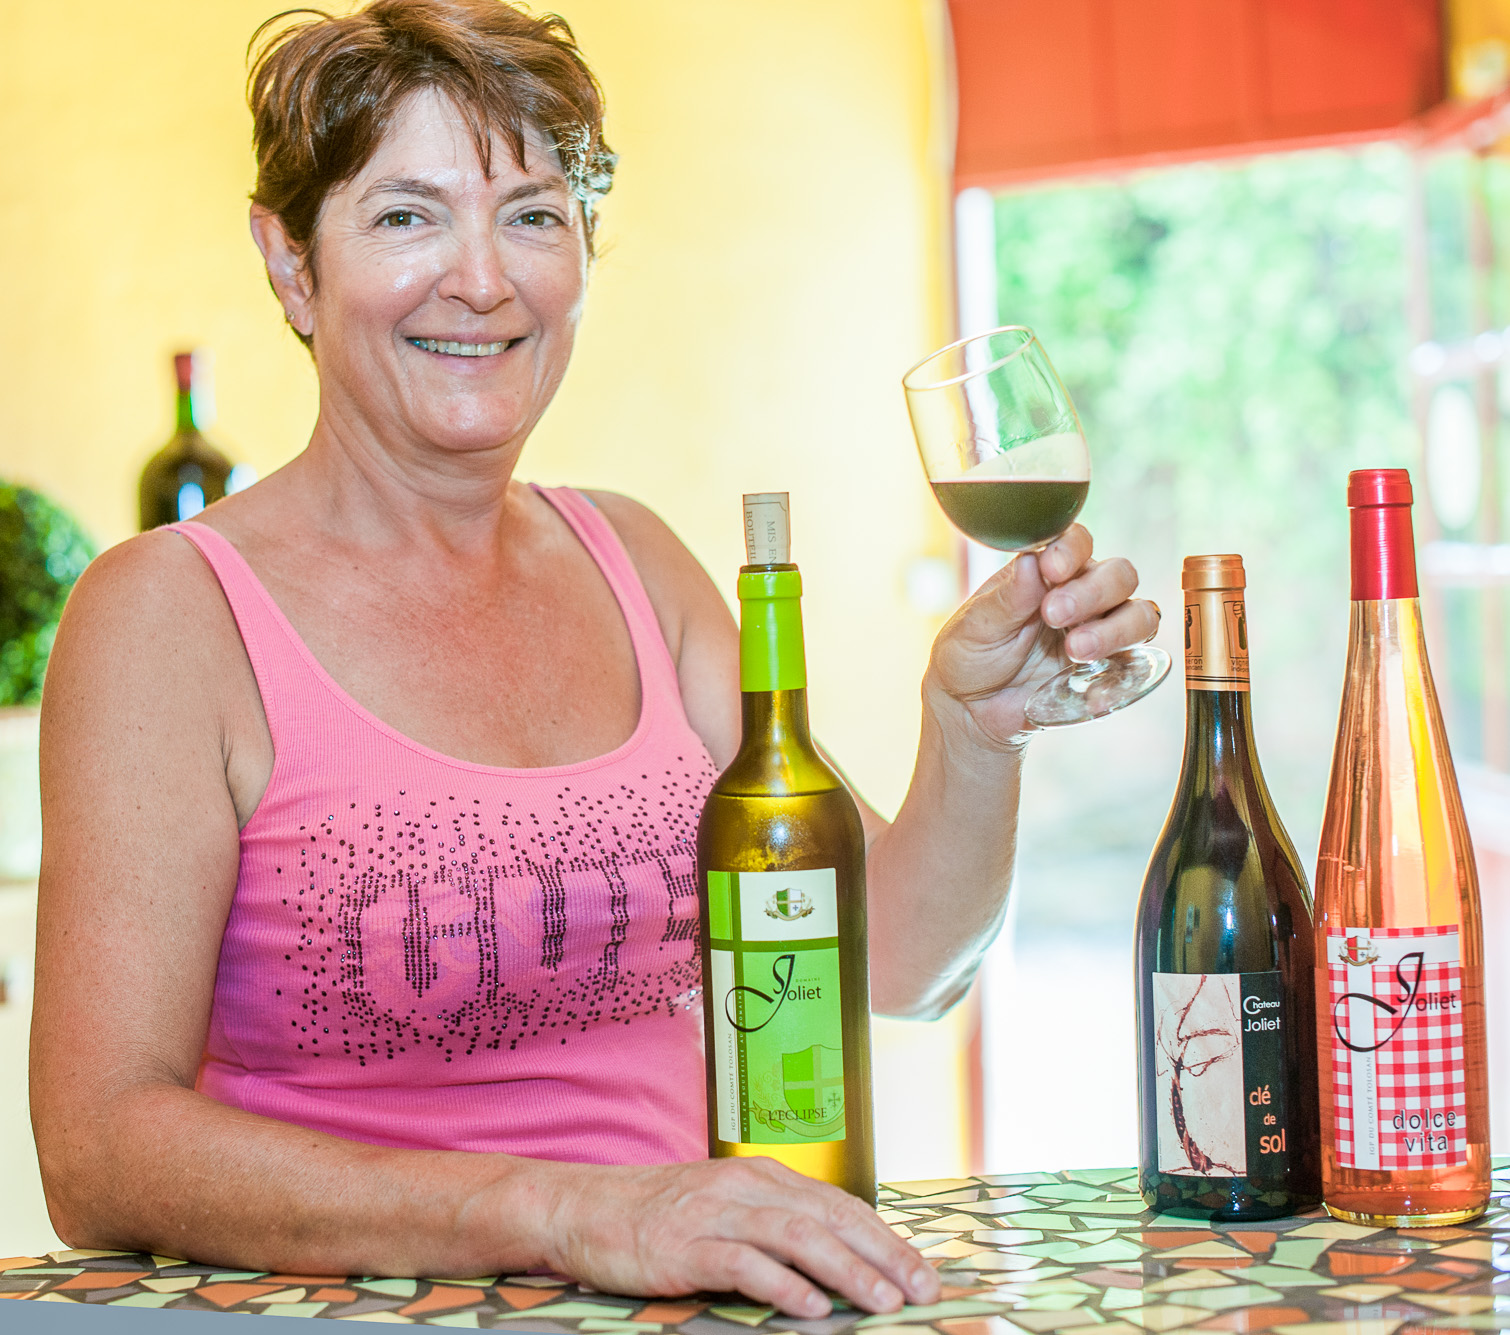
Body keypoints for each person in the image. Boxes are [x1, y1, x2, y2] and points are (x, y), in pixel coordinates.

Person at [31, 0, 1157, 1318]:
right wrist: (567, 1212)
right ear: (291, 265)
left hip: (691, 1290)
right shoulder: (168, 614)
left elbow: (898, 966)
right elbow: (99, 1145)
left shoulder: (635, 562)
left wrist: (976, 733)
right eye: (406, 215)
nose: (483, 278)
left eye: (532, 212)